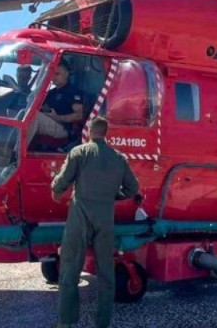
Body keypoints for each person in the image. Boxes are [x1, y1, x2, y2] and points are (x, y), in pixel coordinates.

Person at [51, 116, 140, 328]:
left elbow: (63, 181)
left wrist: (55, 190)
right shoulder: (119, 158)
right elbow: (132, 188)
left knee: (70, 270)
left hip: (80, 216)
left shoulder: (79, 153)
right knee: (106, 273)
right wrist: (112, 196)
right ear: (106, 133)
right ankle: (102, 322)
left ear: (90, 131)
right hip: (105, 219)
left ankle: (67, 322)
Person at [29, 60, 85, 146]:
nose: (53, 77)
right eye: (52, 74)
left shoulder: (73, 91)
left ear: (66, 74)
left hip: (63, 128)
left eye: (57, 74)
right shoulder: (51, 92)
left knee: (33, 117)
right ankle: (8, 147)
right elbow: (45, 107)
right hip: (51, 122)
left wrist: (58, 118)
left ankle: (16, 153)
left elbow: (79, 115)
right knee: (24, 113)